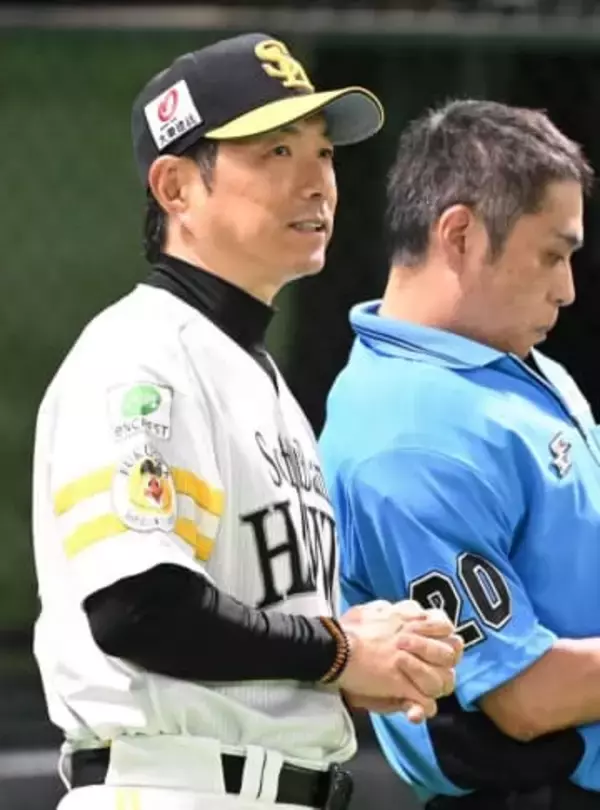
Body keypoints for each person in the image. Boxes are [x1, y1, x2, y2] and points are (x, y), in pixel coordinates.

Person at [31, 33, 463, 810]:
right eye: (275, 152)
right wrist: (339, 649)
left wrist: (369, 651)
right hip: (171, 788)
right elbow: (139, 608)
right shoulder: (141, 355)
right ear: (175, 187)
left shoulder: (258, 379)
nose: (317, 181)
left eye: (324, 152)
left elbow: (253, 637)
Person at [318, 98, 600, 810]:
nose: (567, 289)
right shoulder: (407, 439)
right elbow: (525, 697)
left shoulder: (497, 357)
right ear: (461, 234)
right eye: (552, 255)